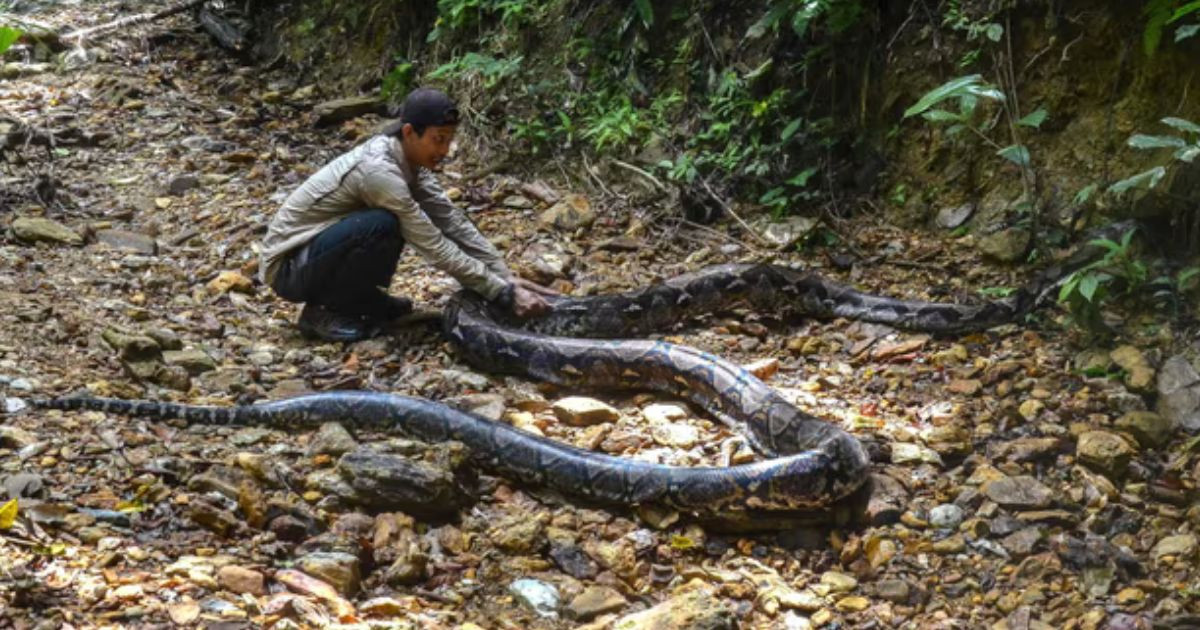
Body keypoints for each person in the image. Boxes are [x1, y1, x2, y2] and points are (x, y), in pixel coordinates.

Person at [259, 88, 556, 342]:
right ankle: (323, 312)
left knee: (386, 224)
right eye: (438, 139)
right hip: (288, 268)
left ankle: (359, 299)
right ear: (409, 133)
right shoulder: (379, 172)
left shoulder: (411, 164)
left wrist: (504, 276)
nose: (445, 149)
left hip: (315, 254)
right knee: (383, 225)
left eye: (449, 140)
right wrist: (499, 293)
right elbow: (432, 243)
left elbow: (451, 221)